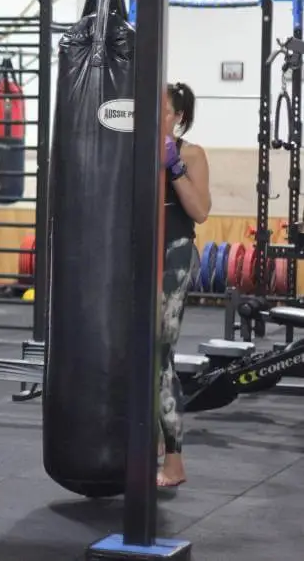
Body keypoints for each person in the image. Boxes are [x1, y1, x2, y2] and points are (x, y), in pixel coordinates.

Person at [158, 82, 210, 489]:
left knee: (159, 356)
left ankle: (175, 463)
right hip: (135, 257)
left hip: (174, 257)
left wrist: (173, 168)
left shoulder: (190, 153)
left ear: (179, 117)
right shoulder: (132, 150)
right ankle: (150, 448)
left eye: (163, 111)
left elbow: (200, 211)